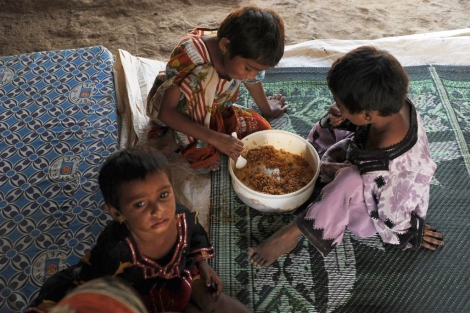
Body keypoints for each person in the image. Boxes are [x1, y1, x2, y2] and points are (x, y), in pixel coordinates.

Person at [247, 46, 445, 268]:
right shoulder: (391, 107)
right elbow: (357, 126)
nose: (336, 106)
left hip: (375, 206)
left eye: (341, 104)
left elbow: (394, 210)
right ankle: (331, 174)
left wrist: (410, 230)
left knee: (349, 179)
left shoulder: (395, 170)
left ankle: (291, 234)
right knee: (332, 128)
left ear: (367, 115)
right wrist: (344, 117)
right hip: (363, 160)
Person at [28, 146, 251, 313]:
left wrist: (203, 265)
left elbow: (196, 237)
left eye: (164, 195)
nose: (158, 210)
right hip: (141, 300)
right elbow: (85, 279)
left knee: (221, 304)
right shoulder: (115, 248)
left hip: (184, 279)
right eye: (140, 204)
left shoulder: (182, 217)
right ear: (117, 213)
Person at [146, 5, 287, 172]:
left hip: (213, 108)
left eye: (259, 70)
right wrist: (216, 139)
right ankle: (183, 141)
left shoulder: (236, 51)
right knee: (206, 75)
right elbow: (166, 112)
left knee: (261, 129)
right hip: (173, 111)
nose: (251, 76)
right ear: (225, 46)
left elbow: (252, 81)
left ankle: (199, 132)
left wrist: (267, 108)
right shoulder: (192, 56)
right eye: (249, 68)